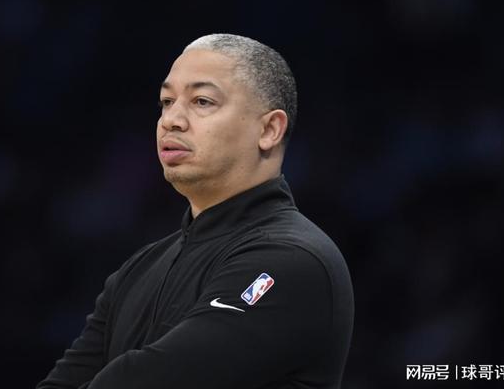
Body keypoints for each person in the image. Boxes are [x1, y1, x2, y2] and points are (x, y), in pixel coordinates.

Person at [36, 34, 354, 389]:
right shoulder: (138, 269)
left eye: (202, 101)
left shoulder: (294, 260)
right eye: (166, 101)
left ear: (269, 129)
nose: (171, 120)